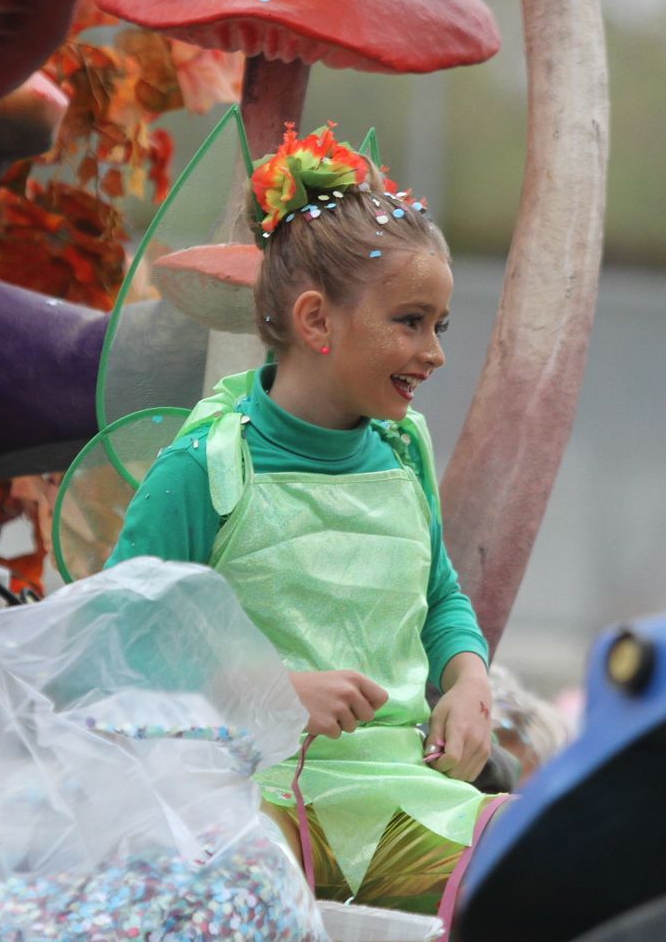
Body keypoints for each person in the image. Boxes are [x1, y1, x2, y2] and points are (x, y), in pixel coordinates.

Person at [107, 125, 504, 919]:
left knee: (558, 856)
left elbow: (440, 596)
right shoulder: (203, 469)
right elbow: (115, 643)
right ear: (318, 322)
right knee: (243, 894)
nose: (435, 353)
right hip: (246, 799)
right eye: (411, 321)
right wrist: (268, 692)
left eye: (441, 325)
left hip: (400, 797)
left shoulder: (403, 450)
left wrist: (468, 680)